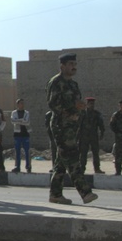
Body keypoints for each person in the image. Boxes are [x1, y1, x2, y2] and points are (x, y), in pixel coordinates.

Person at [47, 53, 97, 205]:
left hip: (72, 126)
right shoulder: (56, 82)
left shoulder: (73, 85)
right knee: (72, 157)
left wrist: (79, 108)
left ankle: (55, 194)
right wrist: (71, 109)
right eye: (70, 64)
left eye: (75, 64)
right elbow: (53, 104)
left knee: (61, 162)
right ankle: (85, 192)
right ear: (62, 66)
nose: (73, 67)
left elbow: (75, 103)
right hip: (60, 126)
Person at [78, 96, 105, 174]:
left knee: (95, 153)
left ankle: (97, 169)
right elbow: (79, 125)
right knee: (83, 153)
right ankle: (82, 168)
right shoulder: (82, 113)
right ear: (87, 104)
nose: (91, 105)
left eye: (92, 104)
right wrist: (77, 136)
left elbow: (101, 124)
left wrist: (102, 132)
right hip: (84, 136)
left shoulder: (97, 114)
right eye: (90, 104)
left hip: (93, 136)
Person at [10, 99, 32, 173]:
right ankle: (17, 166)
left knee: (27, 151)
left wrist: (19, 121)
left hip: (25, 134)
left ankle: (28, 166)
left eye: (23, 103)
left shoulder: (27, 113)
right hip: (17, 134)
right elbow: (13, 121)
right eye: (20, 103)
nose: (22, 105)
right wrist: (22, 120)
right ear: (17, 105)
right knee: (17, 151)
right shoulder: (14, 113)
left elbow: (27, 122)